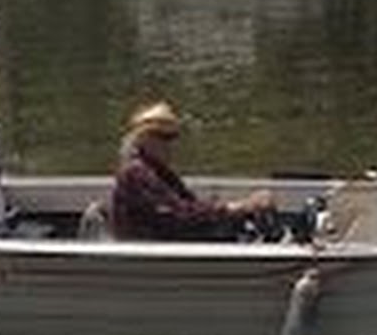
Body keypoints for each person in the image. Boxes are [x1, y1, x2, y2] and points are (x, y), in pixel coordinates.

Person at [109, 101, 275, 241]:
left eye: (172, 138)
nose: (169, 145)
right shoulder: (136, 173)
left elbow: (189, 206)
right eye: (162, 137)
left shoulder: (158, 171)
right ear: (144, 138)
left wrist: (233, 210)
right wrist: (235, 208)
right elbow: (179, 214)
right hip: (150, 251)